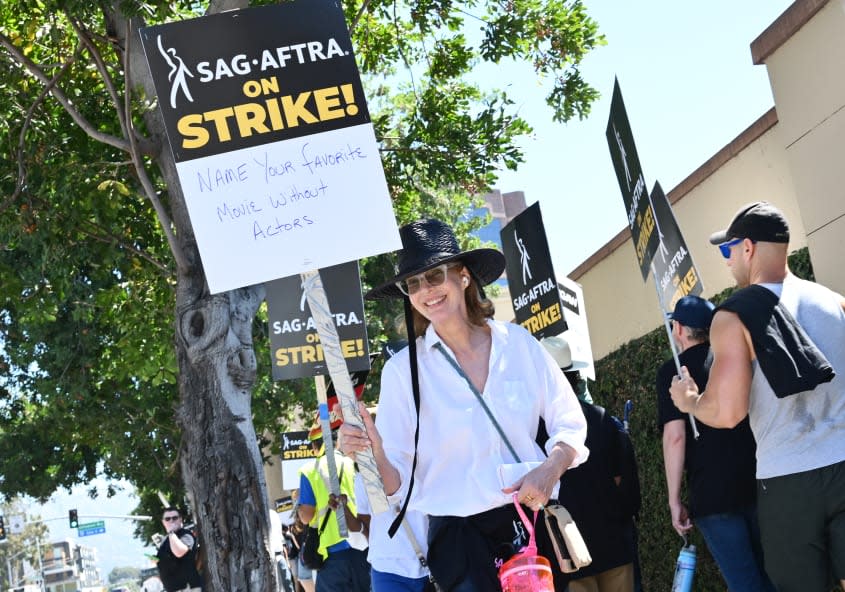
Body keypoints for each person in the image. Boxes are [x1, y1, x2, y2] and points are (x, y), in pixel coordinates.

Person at [340, 218, 588, 591]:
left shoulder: (518, 344)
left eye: (435, 276)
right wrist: (371, 454)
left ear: (464, 276)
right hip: (457, 543)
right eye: (414, 283)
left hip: (526, 528)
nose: (426, 291)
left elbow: (569, 422)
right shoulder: (401, 372)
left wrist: (549, 470)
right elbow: (397, 487)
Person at [670, 201, 845, 591]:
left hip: (788, 479)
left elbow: (728, 412)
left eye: (727, 250)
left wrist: (689, 402)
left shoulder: (732, 316)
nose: (728, 261)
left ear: (748, 248)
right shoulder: (834, 301)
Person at [657, 295, 773, 591]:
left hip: (712, 494)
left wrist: (673, 501)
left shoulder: (673, 371)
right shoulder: (735, 357)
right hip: (758, 481)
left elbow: (675, 436)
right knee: (772, 576)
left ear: (679, 329)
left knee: (744, 583)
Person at [540, 336, 639, 592]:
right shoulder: (601, 418)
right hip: (614, 544)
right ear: (574, 376)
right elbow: (626, 483)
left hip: (568, 554)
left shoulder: (531, 432)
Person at [297, 440, 370, 592]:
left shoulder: (309, 470)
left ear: (315, 447)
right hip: (363, 544)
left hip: (332, 552)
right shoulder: (354, 462)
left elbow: (306, 517)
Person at [352, 470, 432, 592]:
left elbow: (367, 525)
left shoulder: (367, 469)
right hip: (390, 568)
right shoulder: (366, 471)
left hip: (398, 566)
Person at [155, 507, 203, 592]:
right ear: (163, 522)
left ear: (180, 519)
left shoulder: (186, 535)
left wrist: (171, 532)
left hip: (187, 588)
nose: (171, 521)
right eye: (167, 519)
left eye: (175, 518)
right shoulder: (166, 539)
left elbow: (179, 552)